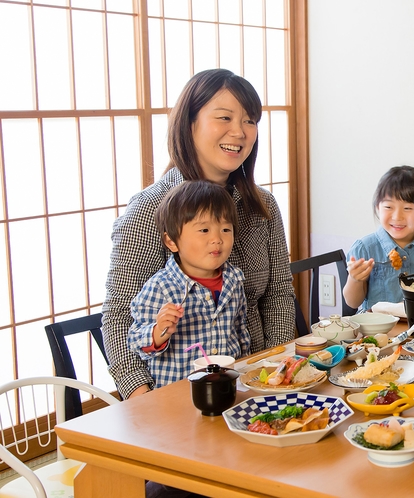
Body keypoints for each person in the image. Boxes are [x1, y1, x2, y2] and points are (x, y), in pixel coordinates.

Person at [103, 69, 296, 400]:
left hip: (255, 385)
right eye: (224, 117)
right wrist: (142, 398)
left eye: (250, 121)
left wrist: (275, 367)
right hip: (175, 397)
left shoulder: (262, 205)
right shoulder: (150, 208)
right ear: (189, 124)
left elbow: (278, 293)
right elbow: (120, 315)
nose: (239, 131)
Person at [127, 181, 250, 388]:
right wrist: (159, 331)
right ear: (171, 242)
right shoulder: (160, 287)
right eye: (204, 230)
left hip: (228, 387)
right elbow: (136, 341)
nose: (217, 239)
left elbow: (240, 332)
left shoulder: (234, 279)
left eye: (226, 229)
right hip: (177, 396)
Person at [342, 165, 414, 311]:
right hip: (377, 328)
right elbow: (352, 302)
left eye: (407, 208)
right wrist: (354, 279)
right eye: (388, 207)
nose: (397, 217)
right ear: (377, 207)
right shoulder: (364, 248)